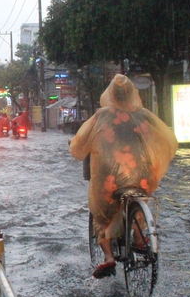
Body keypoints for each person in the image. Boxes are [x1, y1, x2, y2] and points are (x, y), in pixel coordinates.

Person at [70, 74, 178, 279]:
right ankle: (139, 237)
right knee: (138, 200)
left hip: (110, 181)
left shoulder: (101, 116)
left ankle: (109, 257)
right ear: (132, 94)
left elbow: (78, 146)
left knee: (101, 215)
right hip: (141, 178)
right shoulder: (144, 115)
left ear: (110, 94)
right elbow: (167, 139)